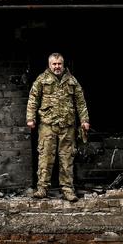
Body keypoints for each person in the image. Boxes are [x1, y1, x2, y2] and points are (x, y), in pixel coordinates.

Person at [26, 53, 90, 201]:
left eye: (59, 64)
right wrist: (30, 118)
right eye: (54, 64)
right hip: (47, 125)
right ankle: (42, 188)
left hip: (67, 126)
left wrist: (84, 120)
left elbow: (80, 102)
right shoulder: (41, 80)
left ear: (63, 64)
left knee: (66, 158)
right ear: (49, 65)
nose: (57, 67)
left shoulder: (72, 81)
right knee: (45, 156)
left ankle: (67, 190)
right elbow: (33, 99)